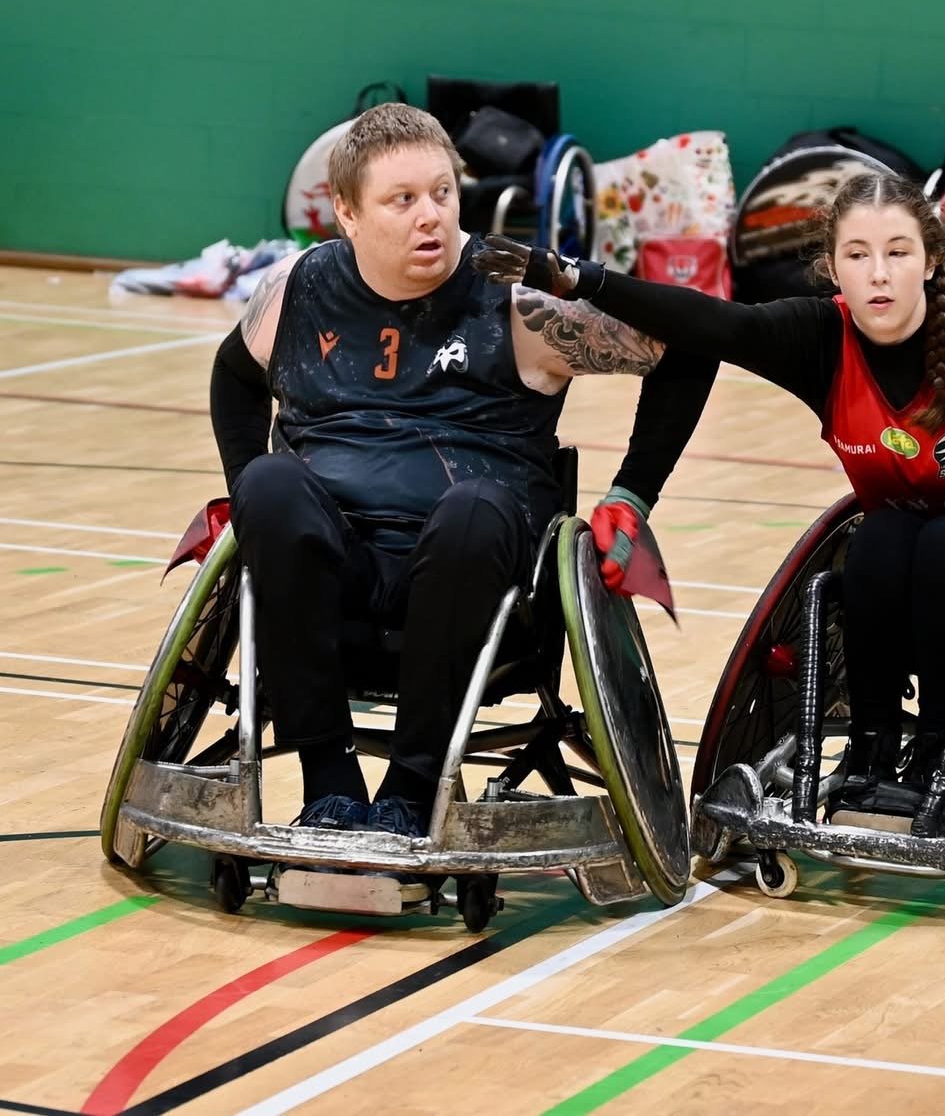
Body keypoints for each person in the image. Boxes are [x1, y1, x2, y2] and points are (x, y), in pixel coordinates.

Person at [474, 170, 945, 833]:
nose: (878, 274)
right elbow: (704, 323)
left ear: (930, 262)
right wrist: (577, 279)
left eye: (897, 253)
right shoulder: (820, 340)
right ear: (832, 268)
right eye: (857, 255)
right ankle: (870, 752)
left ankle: (938, 760)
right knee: (875, 538)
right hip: (907, 564)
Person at [208, 103, 714, 858]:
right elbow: (233, 373)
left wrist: (630, 494)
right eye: (402, 200)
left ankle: (413, 792)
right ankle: (330, 786)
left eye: (442, 193)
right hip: (332, 565)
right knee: (271, 487)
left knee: (474, 507)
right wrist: (244, 481)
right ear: (345, 212)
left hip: (471, 566)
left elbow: (688, 347)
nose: (430, 218)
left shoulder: (518, 296)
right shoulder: (295, 287)